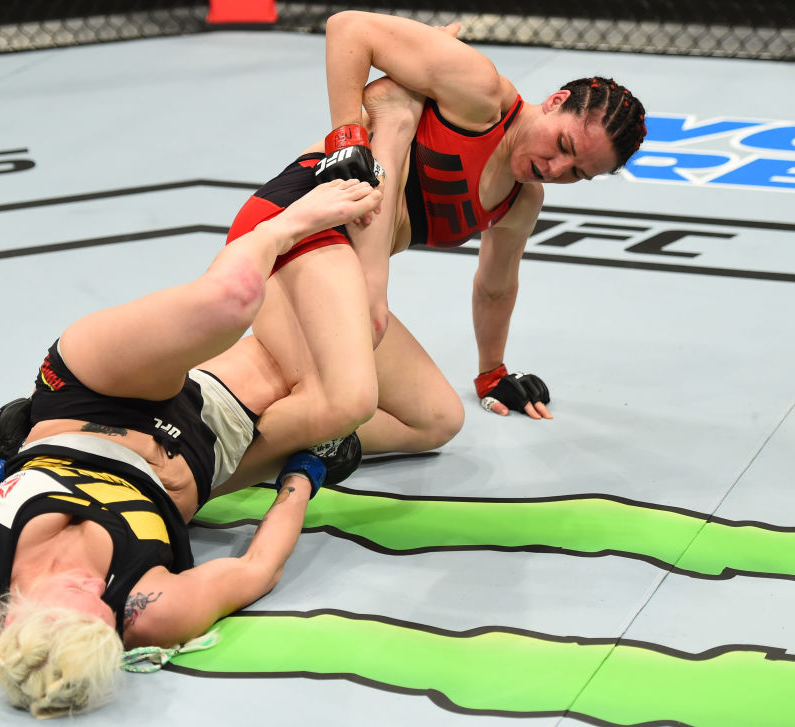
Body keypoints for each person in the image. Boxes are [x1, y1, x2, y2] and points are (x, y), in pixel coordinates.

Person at [0, 178, 383, 719]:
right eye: (106, 610)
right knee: (385, 408)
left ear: (17, 617)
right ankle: (361, 224)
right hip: (200, 447)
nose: (100, 588)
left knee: (232, 299)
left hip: (90, 398)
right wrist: (304, 473)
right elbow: (257, 568)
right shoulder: (148, 616)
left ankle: (282, 224)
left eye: (84, 598)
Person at [216, 11, 647, 490]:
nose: (555, 167)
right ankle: (188, 451)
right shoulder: (480, 93)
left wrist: (492, 372)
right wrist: (348, 135)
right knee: (337, 398)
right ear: (556, 102)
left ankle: (262, 435)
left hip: (346, 268)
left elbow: (495, 286)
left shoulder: (521, 201)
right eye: (563, 143)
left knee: (436, 420)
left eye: (576, 173)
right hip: (292, 229)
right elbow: (348, 28)